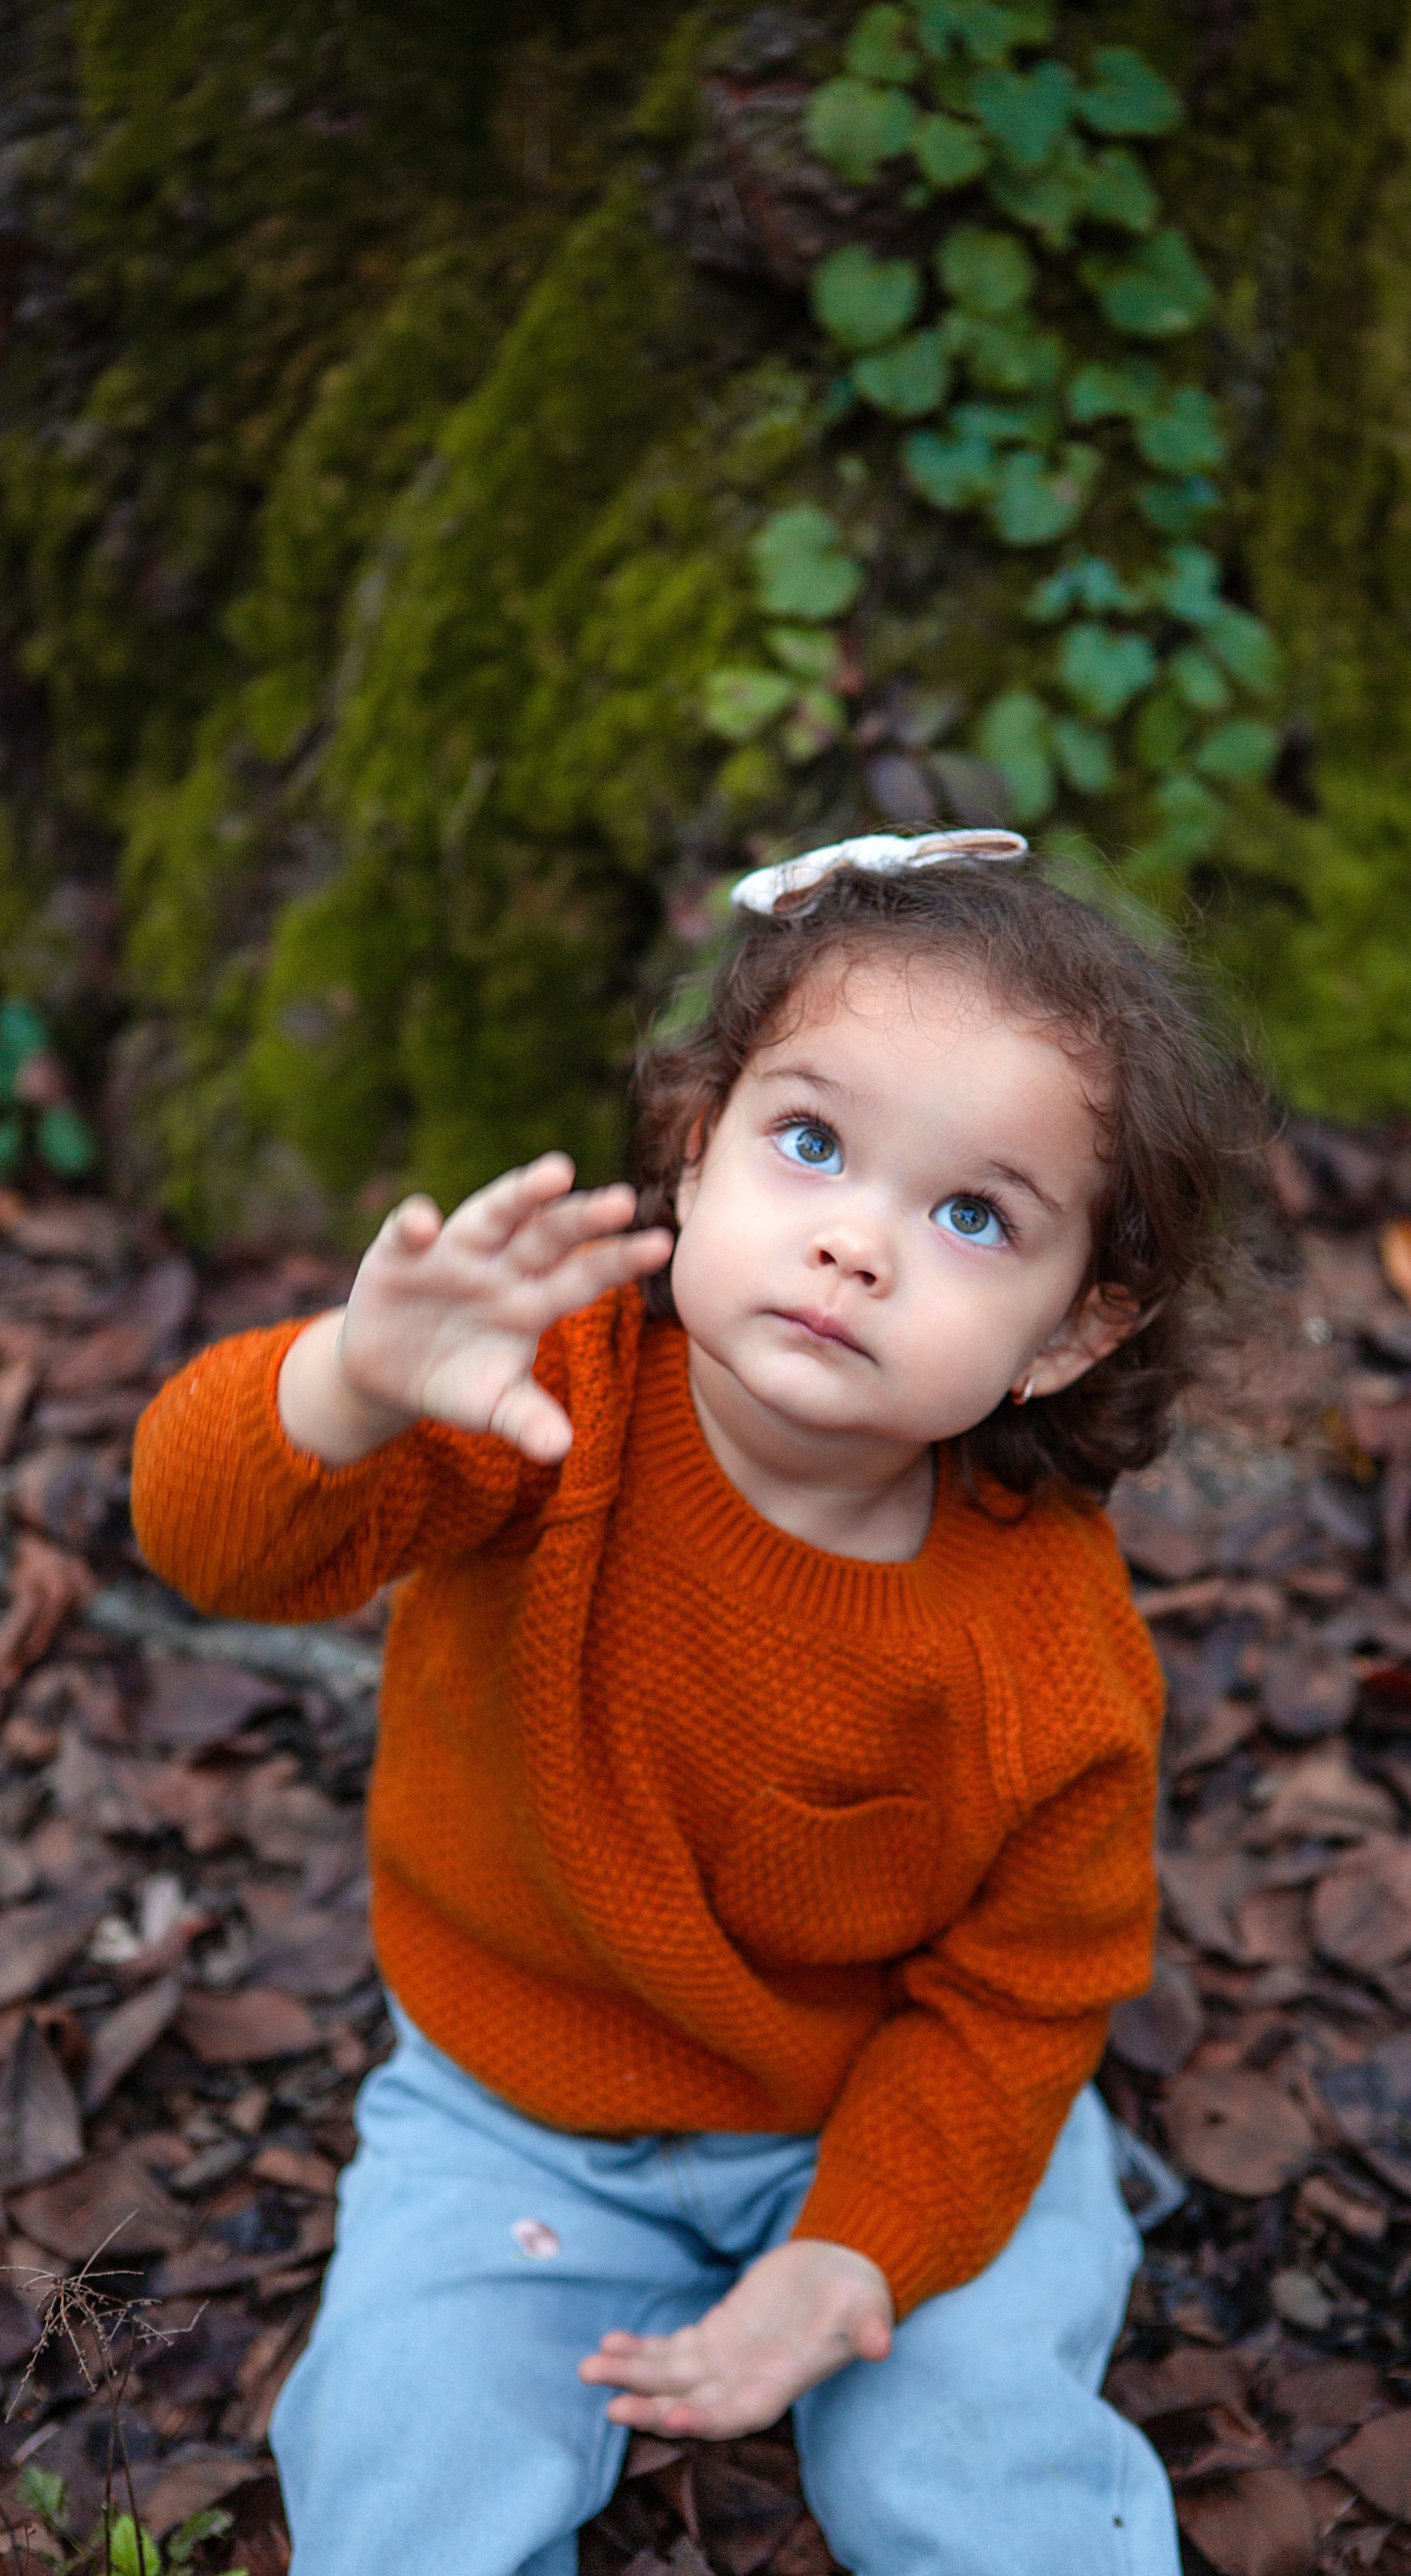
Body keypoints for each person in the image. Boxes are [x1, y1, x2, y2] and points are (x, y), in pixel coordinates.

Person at [131, 832, 1239, 2576]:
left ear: (1072, 1334)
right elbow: (208, 1543)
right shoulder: (547, 1395)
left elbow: (1028, 1994)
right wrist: (347, 1383)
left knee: (972, 2478)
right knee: (409, 2480)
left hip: (886, 2105)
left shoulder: (1044, 1645)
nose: (855, 1243)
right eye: (812, 1143)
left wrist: (860, 2246)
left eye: (972, 1216)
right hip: (517, 2117)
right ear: (698, 1144)